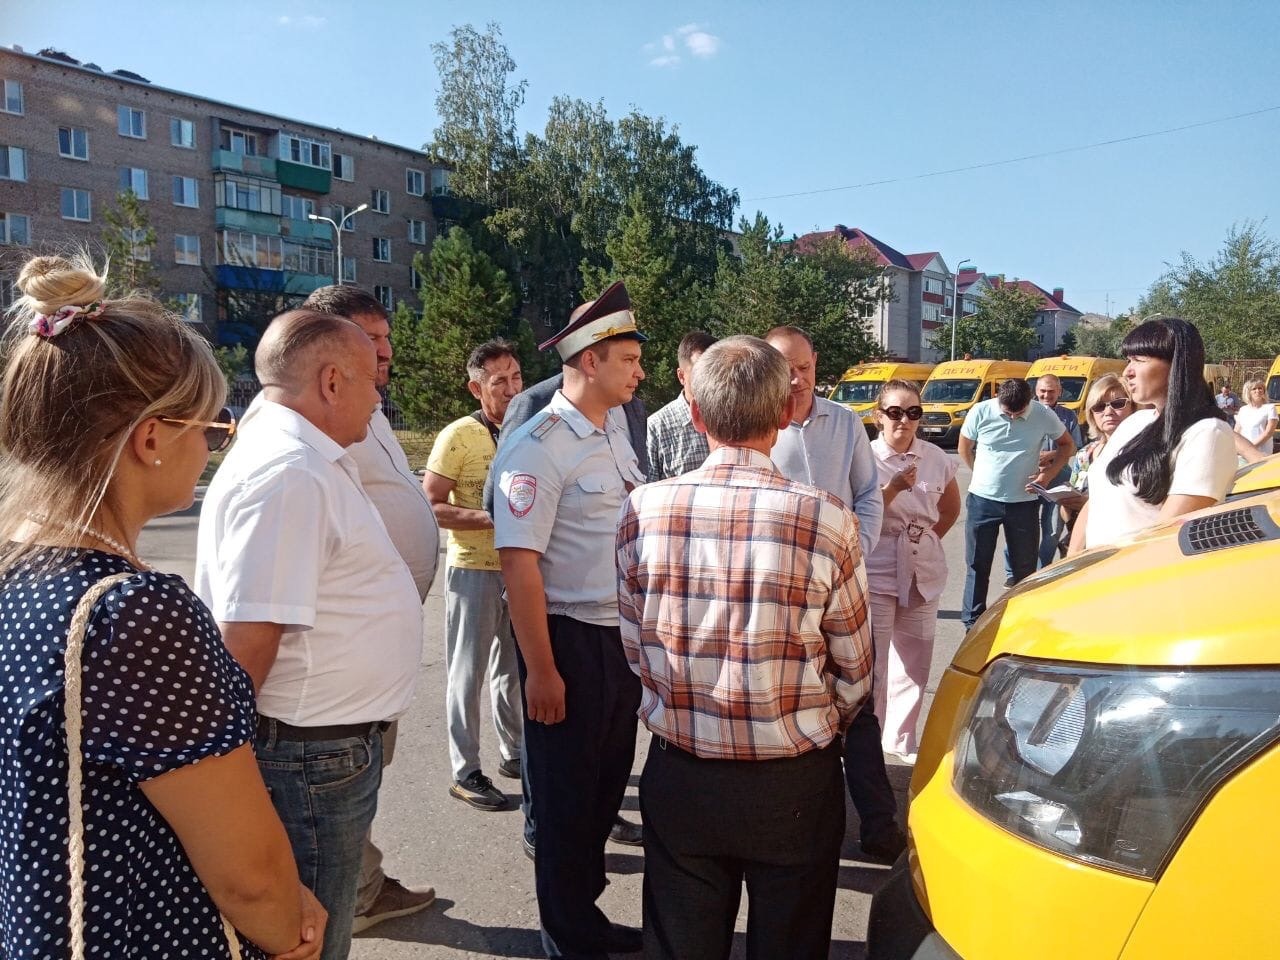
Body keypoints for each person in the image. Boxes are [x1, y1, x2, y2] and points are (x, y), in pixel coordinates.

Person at [0, 254, 324, 959]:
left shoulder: (15, 571)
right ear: (152, 438)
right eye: (209, 428)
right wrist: (290, 933)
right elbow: (248, 876)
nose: (210, 447)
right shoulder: (132, 615)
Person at [617, 336, 873, 960]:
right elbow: (855, 668)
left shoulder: (644, 509)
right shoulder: (827, 518)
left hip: (682, 771)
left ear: (695, 415)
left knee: (680, 944)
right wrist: (816, 722)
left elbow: (635, 645)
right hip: (793, 779)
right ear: (785, 413)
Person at [195, 310, 424, 960]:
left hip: (319, 753)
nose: (379, 395)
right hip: (307, 760)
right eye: (371, 379)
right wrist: (233, 798)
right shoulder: (290, 472)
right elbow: (247, 645)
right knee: (308, 940)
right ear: (331, 381)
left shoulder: (306, 458)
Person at [492, 281, 647, 959]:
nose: (639, 372)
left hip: (618, 639)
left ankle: (585, 917)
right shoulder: (538, 446)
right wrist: (542, 671)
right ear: (590, 360)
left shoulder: (613, 430)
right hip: (567, 640)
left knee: (604, 789)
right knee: (563, 800)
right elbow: (518, 565)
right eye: (628, 360)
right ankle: (566, 939)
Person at [295, 285, 441, 934]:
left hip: (375, 644)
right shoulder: (319, 422)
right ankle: (350, 896)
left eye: (385, 339)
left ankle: (361, 880)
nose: (385, 353)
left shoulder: (370, 407)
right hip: (343, 652)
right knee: (341, 782)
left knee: (363, 777)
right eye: (371, 340)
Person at [763, 326, 901, 863]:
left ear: (816, 364)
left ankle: (879, 823)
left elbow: (868, 494)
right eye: (786, 370)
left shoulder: (844, 422)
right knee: (794, 703)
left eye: (805, 368)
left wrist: (855, 550)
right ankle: (803, 825)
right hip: (784, 595)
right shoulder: (759, 426)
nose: (797, 380)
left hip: (844, 589)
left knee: (858, 704)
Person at [424, 339, 525, 811]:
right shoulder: (458, 436)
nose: (511, 388)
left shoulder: (528, 430)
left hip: (520, 570)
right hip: (472, 570)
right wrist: (490, 519)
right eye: (499, 381)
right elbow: (431, 504)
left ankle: (515, 754)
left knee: (513, 671)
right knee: (467, 674)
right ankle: (465, 772)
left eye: (516, 377)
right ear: (476, 388)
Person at [1069, 317, 1236, 554]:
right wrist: (1072, 561)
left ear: (1176, 364)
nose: (1127, 372)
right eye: (1128, 360)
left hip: (1139, 572)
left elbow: (1164, 533)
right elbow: (1097, 500)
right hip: (1097, 570)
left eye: (1139, 360)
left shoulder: (1207, 432)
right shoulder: (1134, 422)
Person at [867, 380, 961, 763]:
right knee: (872, 662)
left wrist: (923, 538)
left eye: (913, 412)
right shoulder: (865, 457)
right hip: (876, 565)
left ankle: (901, 738)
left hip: (922, 567)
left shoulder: (934, 457)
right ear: (878, 417)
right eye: (895, 412)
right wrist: (891, 490)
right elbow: (857, 513)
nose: (904, 420)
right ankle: (868, 740)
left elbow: (950, 509)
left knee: (915, 658)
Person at [957, 378, 1075, 630]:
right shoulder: (981, 411)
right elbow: (964, 447)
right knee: (977, 564)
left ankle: (1023, 621)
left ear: (1029, 402)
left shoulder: (1043, 414)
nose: (1012, 417)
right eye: (1007, 412)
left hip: (1023, 504)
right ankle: (972, 622)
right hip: (982, 501)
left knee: (1024, 568)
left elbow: (1068, 445)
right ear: (998, 399)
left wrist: (1047, 476)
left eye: (1018, 413)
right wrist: (980, 473)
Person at [1055, 374, 1135, 544]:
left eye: (1118, 404)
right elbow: (1066, 515)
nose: (1108, 412)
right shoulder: (1085, 454)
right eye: (1099, 407)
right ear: (1091, 414)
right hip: (1085, 542)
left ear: (1133, 407)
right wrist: (1067, 504)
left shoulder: (1142, 451)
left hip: (1125, 541)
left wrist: (1090, 503)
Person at [645, 330, 716, 480]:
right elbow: (648, 486)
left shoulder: (734, 417)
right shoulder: (657, 427)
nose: (710, 378)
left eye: (716, 370)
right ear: (681, 376)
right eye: (700, 371)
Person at [1234, 380, 1277, 455]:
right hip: (1244, 454)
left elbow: (1268, 433)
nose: (1258, 391)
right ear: (1248, 392)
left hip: (1262, 453)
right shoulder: (1243, 410)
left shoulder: (1270, 408)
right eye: (1254, 389)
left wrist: (1250, 448)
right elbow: (1237, 431)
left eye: (1260, 388)